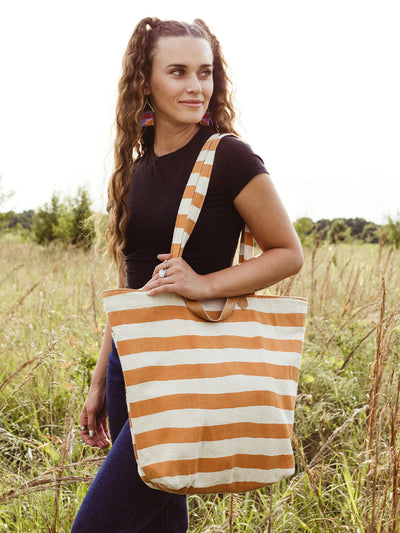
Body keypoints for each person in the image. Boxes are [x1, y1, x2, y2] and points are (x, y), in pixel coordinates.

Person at [71, 16, 303, 533]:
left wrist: (204, 283)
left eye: (205, 72)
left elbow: (288, 252)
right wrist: (99, 379)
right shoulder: (135, 171)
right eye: (177, 72)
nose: (196, 87)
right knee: (161, 520)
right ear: (144, 82)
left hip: (188, 365)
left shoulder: (229, 157)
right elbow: (135, 286)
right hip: (131, 364)